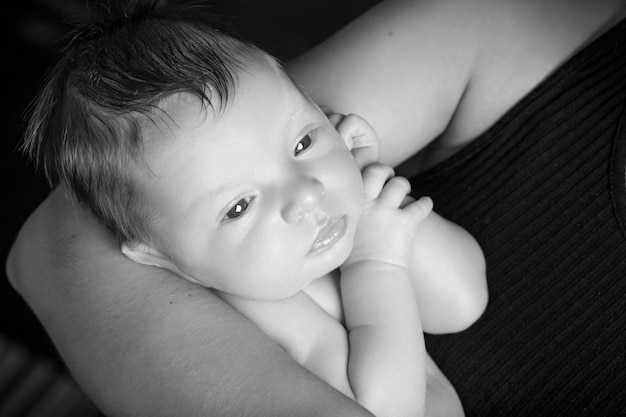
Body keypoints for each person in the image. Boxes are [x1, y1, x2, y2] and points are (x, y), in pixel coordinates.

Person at [7, 0, 626, 415]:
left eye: (302, 141)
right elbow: (390, 406)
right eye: (240, 205)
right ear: (159, 257)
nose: (305, 192)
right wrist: (377, 266)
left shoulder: (319, 222)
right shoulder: (268, 307)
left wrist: (369, 193)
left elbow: (462, 298)